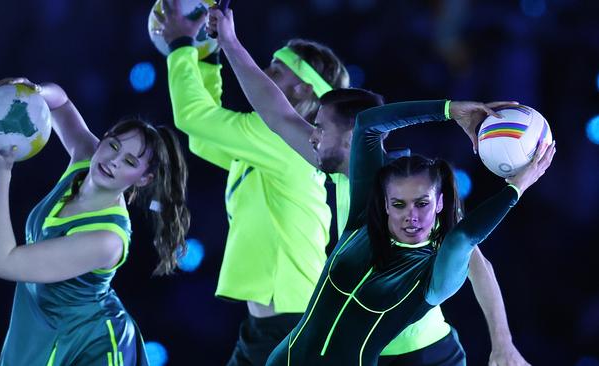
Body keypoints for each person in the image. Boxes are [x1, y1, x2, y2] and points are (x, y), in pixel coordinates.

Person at [208, 7, 534, 365]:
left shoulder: (406, 190)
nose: (311, 135)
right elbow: (274, 110)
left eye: (321, 127)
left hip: (424, 353)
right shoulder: (338, 167)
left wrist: (502, 344)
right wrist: (230, 41)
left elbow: (475, 260)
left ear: (351, 138)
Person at [152, 1, 350, 364]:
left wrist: (182, 46)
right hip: (275, 326)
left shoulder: (278, 141)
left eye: (275, 70)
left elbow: (192, 117)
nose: (261, 72)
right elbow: (203, 137)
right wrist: (207, 56)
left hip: (290, 325)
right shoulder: (272, 146)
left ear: (303, 91)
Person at [0, 77, 190, 366]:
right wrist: (34, 93)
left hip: (88, 345)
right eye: (113, 146)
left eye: (129, 162)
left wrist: (0, 176)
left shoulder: (107, 240)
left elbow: (2, 262)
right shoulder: (87, 157)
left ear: (144, 178)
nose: (113, 161)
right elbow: (60, 102)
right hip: (42, 322)